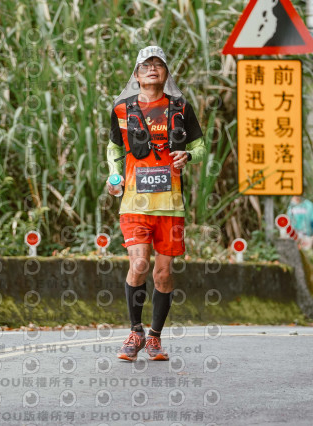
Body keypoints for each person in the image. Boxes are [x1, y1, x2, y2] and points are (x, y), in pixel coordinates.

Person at [106, 46, 205, 361]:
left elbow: (200, 147)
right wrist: (113, 176)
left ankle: (155, 337)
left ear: (166, 73)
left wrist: (188, 155)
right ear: (136, 75)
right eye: (145, 65)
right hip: (134, 204)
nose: (152, 68)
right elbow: (113, 148)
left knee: (163, 274)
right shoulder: (121, 109)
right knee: (139, 265)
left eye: (158, 64)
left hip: (170, 207)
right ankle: (135, 331)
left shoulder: (180, 107)